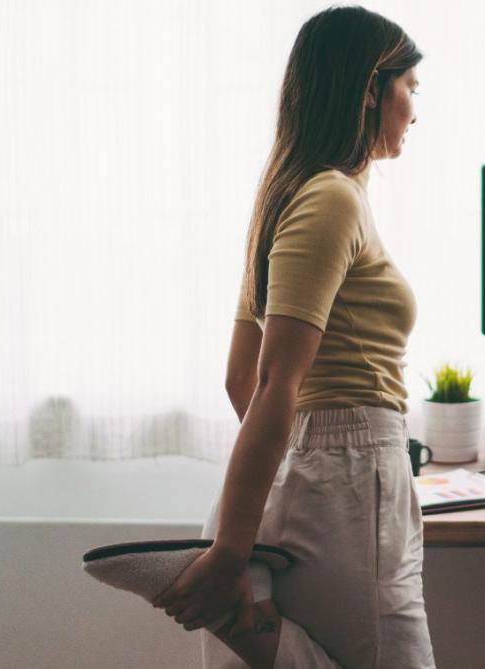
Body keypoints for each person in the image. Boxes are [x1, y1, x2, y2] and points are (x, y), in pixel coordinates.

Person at [149, 6, 432, 667]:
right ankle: (237, 602)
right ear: (370, 88)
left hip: (323, 476)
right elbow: (276, 381)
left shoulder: (289, 193)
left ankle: (248, 620)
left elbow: (239, 378)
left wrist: (289, 473)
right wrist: (232, 549)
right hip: (348, 478)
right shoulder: (331, 198)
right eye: (410, 87)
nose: (415, 110)